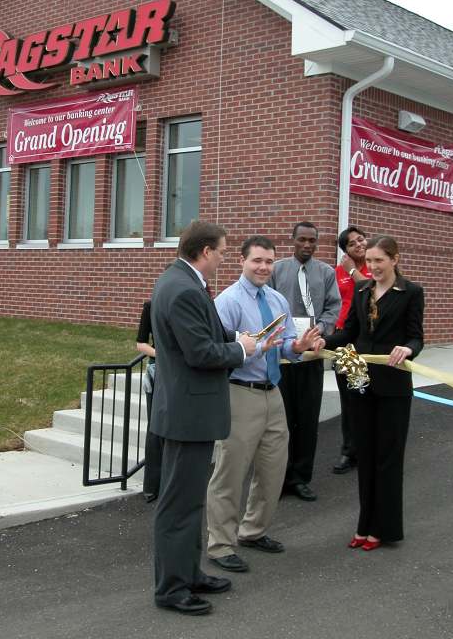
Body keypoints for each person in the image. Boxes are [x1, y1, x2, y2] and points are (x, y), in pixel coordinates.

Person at [150, 220, 256, 616]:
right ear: (206, 251)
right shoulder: (181, 289)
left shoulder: (184, 282)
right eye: (223, 251)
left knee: (190, 502)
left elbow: (208, 338)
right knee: (178, 506)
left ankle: (188, 574)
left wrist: (244, 341)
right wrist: (243, 351)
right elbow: (200, 354)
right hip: (186, 414)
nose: (224, 258)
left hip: (189, 411)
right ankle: (171, 590)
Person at [206, 236, 322, 573]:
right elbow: (217, 352)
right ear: (242, 261)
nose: (263, 267)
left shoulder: (277, 299)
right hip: (239, 393)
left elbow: (285, 347)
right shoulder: (228, 302)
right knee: (230, 473)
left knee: (273, 469)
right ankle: (220, 545)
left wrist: (297, 346)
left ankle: (253, 531)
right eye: (257, 260)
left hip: (273, 392)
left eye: (269, 262)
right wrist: (248, 348)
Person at [313, 235, 424, 551]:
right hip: (359, 381)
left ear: (394, 259)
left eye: (379, 260)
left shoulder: (411, 293)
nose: (373, 266)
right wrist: (325, 341)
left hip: (393, 388)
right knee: (366, 455)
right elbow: (350, 333)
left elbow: (417, 337)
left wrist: (408, 349)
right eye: (370, 261)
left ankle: (384, 528)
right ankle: (364, 525)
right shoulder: (362, 290)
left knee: (388, 459)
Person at [270, 221, 341, 501]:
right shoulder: (277, 270)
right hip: (284, 357)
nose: (308, 245)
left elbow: (334, 307)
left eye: (312, 241)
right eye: (302, 240)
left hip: (311, 357)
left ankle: (301, 477)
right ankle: (280, 477)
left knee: (307, 419)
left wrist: (321, 330)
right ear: (293, 240)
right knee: (281, 421)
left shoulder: (325, 273)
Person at [332, 226, 371, 474]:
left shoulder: (374, 266)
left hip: (365, 339)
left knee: (364, 394)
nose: (358, 244)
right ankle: (349, 451)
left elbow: (369, 289)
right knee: (349, 397)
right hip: (344, 339)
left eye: (361, 239)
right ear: (345, 250)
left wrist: (352, 270)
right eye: (351, 243)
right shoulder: (337, 272)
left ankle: (366, 448)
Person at [135, 299, 163, 502]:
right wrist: (160, 354)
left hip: (185, 373)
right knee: (155, 430)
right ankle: (152, 487)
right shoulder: (151, 306)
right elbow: (141, 343)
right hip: (158, 372)